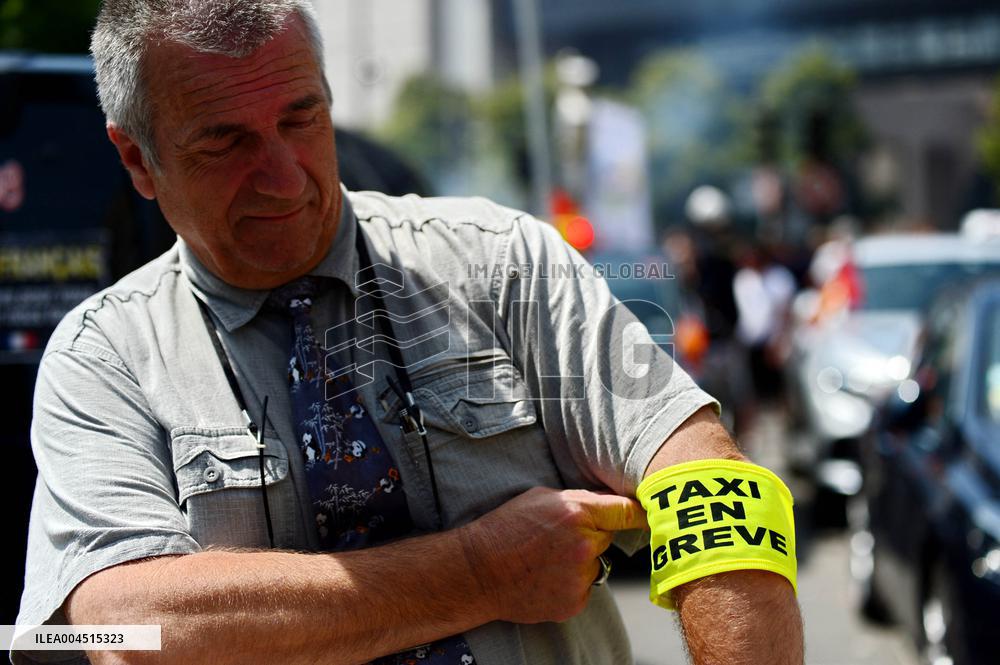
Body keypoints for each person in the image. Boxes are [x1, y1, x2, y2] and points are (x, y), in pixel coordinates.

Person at [13, 2, 804, 664]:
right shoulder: (102, 358)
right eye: (226, 141)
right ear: (137, 160)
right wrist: (478, 573)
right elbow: (126, 630)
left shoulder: (501, 263)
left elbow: (713, 482)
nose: (284, 175)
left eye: (302, 117)